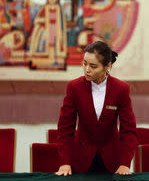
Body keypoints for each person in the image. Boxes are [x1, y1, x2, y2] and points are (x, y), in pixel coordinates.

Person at [56, 41, 137, 175]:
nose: (87, 69)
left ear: (107, 66)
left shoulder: (121, 89)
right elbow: (65, 129)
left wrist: (125, 163)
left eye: (93, 66)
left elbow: (128, 130)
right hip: (80, 160)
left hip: (113, 163)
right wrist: (65, 162)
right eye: (84, 63)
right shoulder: (74, 87)